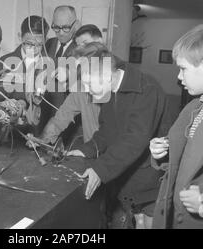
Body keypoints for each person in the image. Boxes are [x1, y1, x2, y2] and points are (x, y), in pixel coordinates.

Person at [63, 42, 170, 228]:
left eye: (88, 84)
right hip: (128, 178)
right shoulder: (110, 91)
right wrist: (86, 150)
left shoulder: (147, 89)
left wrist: (100, 169)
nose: (86, 90)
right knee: (136, 222)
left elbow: (134, 140)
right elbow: (106, 131)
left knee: (148, 223)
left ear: (106, 75)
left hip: (151, 180)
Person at [150, 24, 203, 229]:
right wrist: (162, 154)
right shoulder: (194, 107)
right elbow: (185, 159)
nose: (179, 77)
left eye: (183, 68)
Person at [0, 15, 50, 141]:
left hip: (39, 137)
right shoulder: (3, 62)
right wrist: (3, 107)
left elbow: (52, 107)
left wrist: (45, 136)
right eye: (29, 43)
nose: (33, 49)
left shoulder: (51, 65)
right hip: (9, 137)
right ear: (19, 36)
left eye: (39, 44)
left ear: (46, 40)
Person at [40, 24, 104, 145]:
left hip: (116, 151)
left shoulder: (116, 72)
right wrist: (42, 139)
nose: (82, 49)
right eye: (79, 46)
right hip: (93, 150)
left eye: (85, 43)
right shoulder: (82, 85)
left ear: (100, 41)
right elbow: (63, 116)